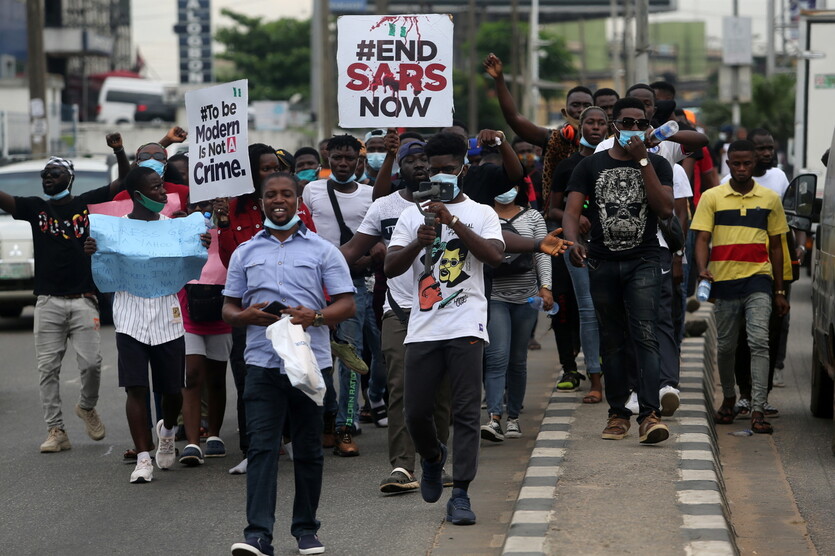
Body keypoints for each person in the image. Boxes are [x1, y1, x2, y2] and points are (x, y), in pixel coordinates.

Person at [225, 172, 355, 556]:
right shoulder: (245, 252)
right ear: (261, 201)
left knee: (310, 450)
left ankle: (306, 530)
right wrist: (245, 315)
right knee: (262, 449)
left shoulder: (322, 250)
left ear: (298, 199)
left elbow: (346, 304)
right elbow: (228, 308)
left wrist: (314, 316)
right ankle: (257, 535)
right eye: (270, 195)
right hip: (262, 365)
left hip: (310, 364)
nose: (278, 200)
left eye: (286, 194)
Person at [385, 131, 507, 526]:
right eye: (434, 171)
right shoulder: (410, 215)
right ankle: (433, 457)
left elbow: (493, 257)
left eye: (449, 170)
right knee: (416, 411)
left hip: (467, 322)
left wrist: (452, 221)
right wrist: (416, 242)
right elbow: (389, 268)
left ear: (463, 169)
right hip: (423, 326)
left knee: (468, 411)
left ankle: (462, 495)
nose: (440, 176)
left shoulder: (482, 213)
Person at [340, 137, 454, 493]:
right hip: (399, 310)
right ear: (399, 166)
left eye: (425, 159)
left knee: (439, 394)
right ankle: (402, 468)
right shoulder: (384, 206)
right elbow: (352, 250)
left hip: (446, 312)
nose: (419, 165)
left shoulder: (453, 202)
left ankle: (436, 462)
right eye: (411, 159)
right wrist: (311, 262)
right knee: (401, 388)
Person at [0, 135, 127, 452]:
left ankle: (86, 406)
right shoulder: (35, 209)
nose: (48, 176)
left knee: (92, 364)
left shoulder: (87, 204)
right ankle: (56, 431)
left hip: (83, 300)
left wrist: (119, 151)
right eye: (45, 173)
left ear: (70, 177)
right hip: (47, 302)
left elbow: (125, 181)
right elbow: (4, 200)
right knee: (47, 370)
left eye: (54, 172)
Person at [85, 166, 211, 483]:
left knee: (172, 391)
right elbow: (103, 268)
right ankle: (143, 458)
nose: (162, 194)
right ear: (138, 195)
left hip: (167, 315)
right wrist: (92, 251)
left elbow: (193, 260)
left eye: (162, 187)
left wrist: (201, 243)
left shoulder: (175, 228)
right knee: (136, 387)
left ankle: (167, 429)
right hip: (129, 316)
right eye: (156, 188)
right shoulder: (114, 230)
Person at [563, 97, 674, 444]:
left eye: (639, 123)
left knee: (645, 336)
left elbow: (666, 208)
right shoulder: (590, 166)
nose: (632, 129)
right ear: (614, 126)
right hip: (602, 262)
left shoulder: (657, 163)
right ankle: (617, 415)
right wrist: (572, 243)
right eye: (626, 122)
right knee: (611, 341)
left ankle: (650, 414)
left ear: (647, 127)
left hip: (644, 261)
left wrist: (643, 160)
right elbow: (570, 211)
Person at [217, 143, 316, 475]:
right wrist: (222, 222)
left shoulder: (293, 206)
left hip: (293, 311)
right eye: (265, 169)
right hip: (253, 314)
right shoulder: (232, 209)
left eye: (276, 168)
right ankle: (254, 447)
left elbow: (313, 252)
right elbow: (231, 260)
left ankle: (293, 440)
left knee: (295, 374)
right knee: (251, 380)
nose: (272, 175)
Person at [691, 140, 790, 434]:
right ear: (728, 163)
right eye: (736, 163)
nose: (742, 168)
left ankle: (758, 408)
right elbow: (701, 239)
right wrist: (702, 270)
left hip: (759, 279)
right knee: (725, 346)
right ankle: (731, 397)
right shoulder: (712, 197)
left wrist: (780, 290)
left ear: (754, 164)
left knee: (759, 341)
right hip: (723, 281)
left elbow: (776, 246)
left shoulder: (770, 198)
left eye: (747, 163)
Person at [302, 134, 386, 457]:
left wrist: (371, 255)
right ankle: (327, 417)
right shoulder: (311, 191)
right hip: (316, 285)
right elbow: (304, 231)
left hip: (356, 284)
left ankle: (345, 428)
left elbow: (378, 238)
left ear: (359, 161)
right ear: (327, 158)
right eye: (336, 158)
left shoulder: (370, 196)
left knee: (351, 358)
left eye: (349, 158)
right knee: (320, 360)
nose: (342, 163)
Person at [481, 179, 552, 442]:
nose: (504, 189)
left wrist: (546, 287)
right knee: (497, 356)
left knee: (518, 360)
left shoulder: (533, 216)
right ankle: (494, 418)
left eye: (510, 183)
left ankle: (513, 417)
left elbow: (543, 253)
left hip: (526, 298)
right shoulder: (483, 213)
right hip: (494, 296)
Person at [549, 106, 608, 403]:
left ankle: (616, 371)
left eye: (601, 123)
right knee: (586, 309)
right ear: (580, 127)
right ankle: (594, 377)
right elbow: (553, 209)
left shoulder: (614, 162)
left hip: (611, 245)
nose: (595, 128)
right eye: (590, 123)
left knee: (610, 309)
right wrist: (575, 217)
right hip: (578, 243)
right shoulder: (567, 166)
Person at [484, 52, 592, 209]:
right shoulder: (554, 139)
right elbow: (513, 118)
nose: (581, 110)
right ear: (565, 111)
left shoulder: (608, 144)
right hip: (558, 220)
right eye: (575, 105)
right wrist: (499, 79)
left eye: (587, 106)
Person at [177, 198, 233, 466]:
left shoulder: (225, 230)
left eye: (207, 207)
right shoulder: (180, 230)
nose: (202, 213)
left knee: (216, 377)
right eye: (196, 207)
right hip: (189, 311)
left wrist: (223, 224)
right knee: (191, 375)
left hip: (220, 309)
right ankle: (191, 443)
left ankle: (214, 435)